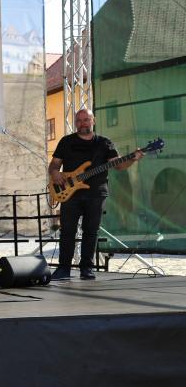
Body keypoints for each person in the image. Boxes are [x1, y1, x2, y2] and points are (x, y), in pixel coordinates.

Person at [48, 108, 143, 280]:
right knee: (67, 231)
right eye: (79, 120)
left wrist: (132, 158)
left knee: (91, 231)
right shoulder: (66, 141)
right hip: (69, 193)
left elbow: (118, 165)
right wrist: (55, 173)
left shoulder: (104, 143)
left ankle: (87, 268)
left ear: (94, 121)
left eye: (86, 119)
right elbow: (54, 165)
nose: (82, 123)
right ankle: (63, 269)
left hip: (96, 193)